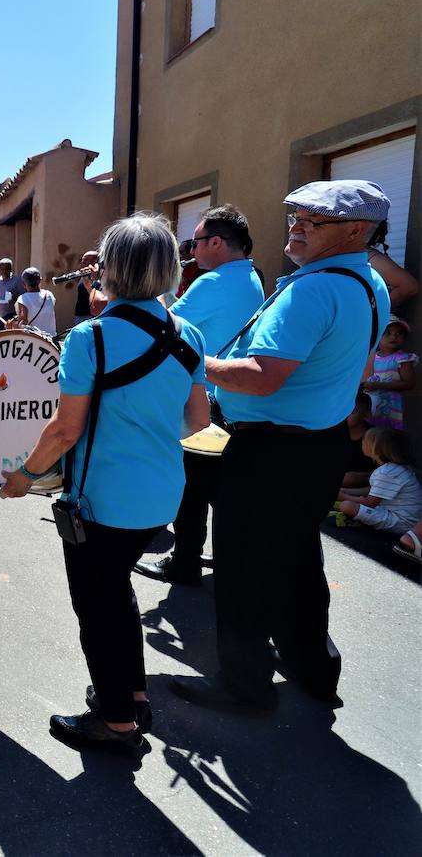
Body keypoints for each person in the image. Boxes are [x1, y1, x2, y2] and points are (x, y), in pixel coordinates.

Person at [173, 180, 392, 715]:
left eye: (312, 221)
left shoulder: (312, 289)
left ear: (357, 230)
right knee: (296, 559)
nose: (296, 227)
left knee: (243, 566)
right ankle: (314, 670)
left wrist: (193, 363)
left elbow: (261, 375)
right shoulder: (369, 285)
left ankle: (243, 685)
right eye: (294, 216)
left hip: (271, 450)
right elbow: (361, 368)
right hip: (319, 447)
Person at [0, 213, 210, 755]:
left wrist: (24, 476)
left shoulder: (90, 338)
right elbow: (199, 421)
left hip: (101, 502)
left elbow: (65, 428)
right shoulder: (188, 334)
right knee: (118, 594)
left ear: (108, 270)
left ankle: (116, 720)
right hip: (162, 495)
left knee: (97, 606)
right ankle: (132, 693)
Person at [135, 204, 265, 587]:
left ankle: (186, 561)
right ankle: (228, 558)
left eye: (194, 242)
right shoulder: (252, 277)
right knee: (216, 491)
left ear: (217, 243)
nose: (190, 251)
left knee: (191, 491)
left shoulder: (212, 282)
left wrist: (153, 285)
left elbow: (165, 325)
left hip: (206, 401)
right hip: (231, 402)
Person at [335, 427, 422, 534]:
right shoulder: (394, 469)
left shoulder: (387, 472)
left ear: (375, 448)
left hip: (402, 522)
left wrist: (345, 497)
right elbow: (373, 492)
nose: (362, 443)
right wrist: (346, 492)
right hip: (399, 516)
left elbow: (370, 503)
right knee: (348, 503)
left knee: (347, 506)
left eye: (364, 441)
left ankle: (358, 521)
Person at [364, 316, 415, 429]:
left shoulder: (403, 358)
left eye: (399, 333)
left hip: (390, 411)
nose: (394, 336)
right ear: (378, 336)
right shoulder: (371, 357)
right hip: (370, 410)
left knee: (387, 439)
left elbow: (409, 383)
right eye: (388, 333)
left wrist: (379, 385)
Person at [12, 268, 57, 336]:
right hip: (51, 339)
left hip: (34, 340)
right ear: (40, 281)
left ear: (23, 284)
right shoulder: (49, 295)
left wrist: (13, 325)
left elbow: (23, 321)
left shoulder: (23, 299)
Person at [73, 250, 102, 325]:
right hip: (80, 315)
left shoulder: (100, 277)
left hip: (92, 316)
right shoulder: (84, 275)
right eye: (82, 261)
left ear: (94, 262)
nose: (82, 264)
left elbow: (97, 296)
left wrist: (93, 279)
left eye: (85, 261)